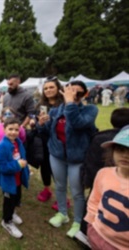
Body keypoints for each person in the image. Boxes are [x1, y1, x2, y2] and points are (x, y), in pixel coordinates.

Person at [37, 80, 98, 238]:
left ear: (84, 94)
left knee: (77, 192)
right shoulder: (55, 111)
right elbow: (47, 133)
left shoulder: (90, 110)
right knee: (60, 186)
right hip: (57, 156)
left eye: (77, 93)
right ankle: (63, 213)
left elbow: (78, 123)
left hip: (77, 159)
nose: (73, 95)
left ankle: (78, 221)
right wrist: (41, 125)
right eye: (70, 92)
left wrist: (70, 103)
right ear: (64, 92)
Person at [75, 107, 129, 247]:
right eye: (120, 149)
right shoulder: (104, 173)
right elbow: (94, 201)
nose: (125, 155)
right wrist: (91, 226)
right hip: (98, 235)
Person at [28, 76, 64, 205]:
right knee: (45, 167)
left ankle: (62, 197)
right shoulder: (41, 105)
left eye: (51, 87)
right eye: (46, 88)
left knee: (58, 171)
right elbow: (37, 123)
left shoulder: (64, 104)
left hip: (59, 142)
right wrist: (36, 122)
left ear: (59, 88)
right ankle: (47, 189)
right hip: (43, 141)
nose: (48, 90)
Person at [0, 117, 30, 239]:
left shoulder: (18, 142)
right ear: (4, 129)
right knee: (8, 202)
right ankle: (6, 221)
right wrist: (17, 165)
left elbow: (22, 157)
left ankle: (12, 213)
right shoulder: (2, 146)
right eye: (10, 129)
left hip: (17, 180)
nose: (13, 132)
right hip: (9, 181)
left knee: (16, 198)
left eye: (16, 129)